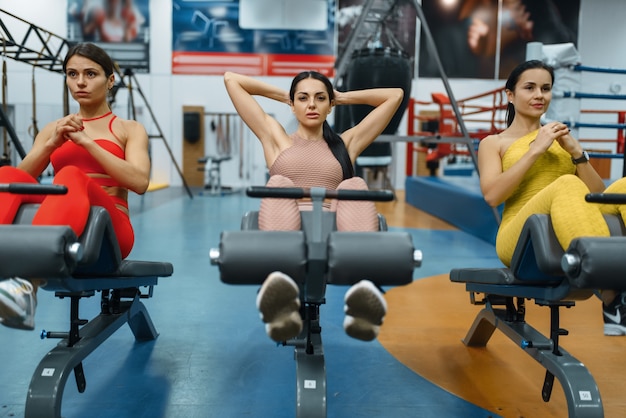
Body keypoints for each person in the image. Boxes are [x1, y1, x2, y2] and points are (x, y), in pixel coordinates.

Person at [223, 70, 403, 342]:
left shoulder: (345, 143)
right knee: (280, 181)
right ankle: (279, 291)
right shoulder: (276, 138)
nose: (311, 105)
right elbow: (231, 80)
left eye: (320, 99)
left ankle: (365, 294)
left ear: (329, 105)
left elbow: (395, 96)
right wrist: (286, 96)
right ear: (293, 104)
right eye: (303, 99)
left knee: (353, 185)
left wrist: (339, 97)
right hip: (286, 232)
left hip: (334, 233)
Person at [0, 42, 150, 330]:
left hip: (109, 231)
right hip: (64, 223)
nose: (80, 82)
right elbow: (17, 182)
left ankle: (28, 287)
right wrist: (52, 144)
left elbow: (139, 182)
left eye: (90, 74)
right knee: (6, 173)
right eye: (72, 74)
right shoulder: (54, 128)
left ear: (110, 80)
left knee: (70, 175)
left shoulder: (128, 129)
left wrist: (86, 143)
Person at [478, 59, 626, 336]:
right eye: (529, 87)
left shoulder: (561, 140)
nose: (539, 95)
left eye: (545, 88)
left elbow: (599, 197)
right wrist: (535, 149)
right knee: (566, 183)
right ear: (510, 95)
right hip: (520, 237)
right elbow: (492, 196)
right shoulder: (494, 143)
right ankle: (611, 297)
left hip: (566, 223)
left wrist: (577, 154)